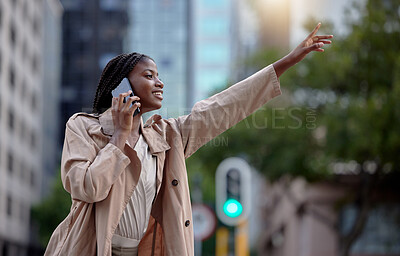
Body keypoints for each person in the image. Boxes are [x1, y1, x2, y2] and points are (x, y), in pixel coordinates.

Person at [44, 23, 332, 256]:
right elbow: (87, 187)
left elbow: (224, 107)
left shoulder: (167, 137)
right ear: (122, 86)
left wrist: (286, 62)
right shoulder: (84, 127)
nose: (160, 82)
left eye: (159, 75)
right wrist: (119, 136)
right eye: (149, 75)